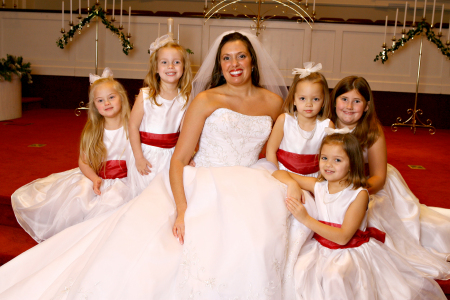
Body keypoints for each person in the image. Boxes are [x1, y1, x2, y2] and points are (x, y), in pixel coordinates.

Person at [0, 31, 316, 299]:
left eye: (241, 56)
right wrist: (181, 208)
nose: (234, 64)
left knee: (260, 237)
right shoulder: (206, 99)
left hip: (251, 179)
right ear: (220, 64)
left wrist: (288, 178)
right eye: (227, 58)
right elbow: (179, 158)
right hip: (204, 179)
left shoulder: (274, 103)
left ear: (252, 60)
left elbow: (278, 150)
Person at [273, 133, 446, 300]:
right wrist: (292, 183)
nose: (328, 165)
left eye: (337, 160)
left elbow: (342, 238)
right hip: (320, 248)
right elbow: (278, 173)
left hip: (347, 252)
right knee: (299, 270)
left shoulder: (358, 195)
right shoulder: (319, 186)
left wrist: (306, 219)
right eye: (324, 158)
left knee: (335, 277)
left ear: (352, 163)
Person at [331, 76, 450, 279]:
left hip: (369, 184)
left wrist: (353, 192)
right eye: (344, 99)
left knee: (375, 216)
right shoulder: (325, 125)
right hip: (334, 180)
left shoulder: (372, 131)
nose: (349, 106)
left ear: (367, 106)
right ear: (334, 101)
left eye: (357, 101)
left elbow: (378, 176)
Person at [11, 68, 131, 242]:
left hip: (127, 180)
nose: (107, 103)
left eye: (111, 97)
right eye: (100, 100)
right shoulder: (93, 130)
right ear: (95, 105)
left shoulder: (132, 126)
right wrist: (93, 177)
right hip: (100, 177)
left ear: (122, 97)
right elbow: (83, 161)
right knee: (80, 197)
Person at [127, 35, 192, 197]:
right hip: (145, 153)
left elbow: (185, 133)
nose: (171, 66)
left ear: (183, 67)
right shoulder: (146, 95)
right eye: (164, 62)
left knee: (165, 194)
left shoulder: (185, 98)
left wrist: (187, 156)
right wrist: (139, 157)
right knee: (145, 193)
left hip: (171, 154)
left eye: (176, 62)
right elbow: (132, 126)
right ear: (156, 68)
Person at [266, 62, 334, 178]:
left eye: (316, 99)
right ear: (293, 100)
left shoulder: (327, 126)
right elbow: (270, 152)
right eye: (302, 98)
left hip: (313, 178)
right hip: (283, 175)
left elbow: (329, 159)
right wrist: (278, 177)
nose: (309, 104)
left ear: (323, 101)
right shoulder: (284, 121)